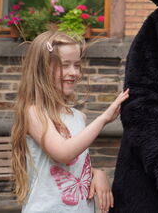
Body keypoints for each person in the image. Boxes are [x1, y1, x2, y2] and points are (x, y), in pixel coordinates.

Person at [10, 30, 129, 213]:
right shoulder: (34, 113)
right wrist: (104, 119)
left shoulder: (78, 117)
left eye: (77, 65)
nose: (74, 72)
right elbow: (63, 153)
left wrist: (96, 173)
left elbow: (74, 166)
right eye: (65, 65)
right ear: (42, 69)